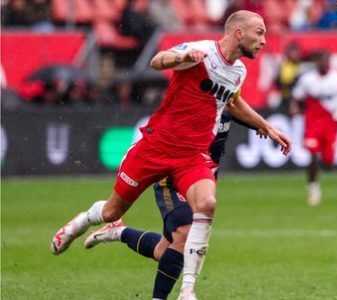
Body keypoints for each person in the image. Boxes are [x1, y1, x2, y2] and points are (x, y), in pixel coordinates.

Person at [50, 10, 291, 300]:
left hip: (193, 156)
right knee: (112, 211)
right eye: (259, 32)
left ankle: (188, 290)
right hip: (156, 148)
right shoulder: (201, 51)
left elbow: (233, 102)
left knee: (207, 205)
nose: (264, 40)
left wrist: (267, 126)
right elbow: (157, 60)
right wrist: (180, 59)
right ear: (239, 33)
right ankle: (82, 223)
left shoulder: (238, 71)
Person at [83, 112, 258, 300]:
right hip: (174, 172)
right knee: (185, 232)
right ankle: (176, 294)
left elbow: (234, 103)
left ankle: (117, 232)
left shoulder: (227, 96)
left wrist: (262, 125)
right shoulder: (193, 96)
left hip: (202, 174)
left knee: (164, 251)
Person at [290, 50, 337, 206]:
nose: (323, 65)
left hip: (332, 122)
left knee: (329, 161)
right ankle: (313, 188)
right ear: (316, 63)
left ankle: (325, 167)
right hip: (313, 121)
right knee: (312, 154)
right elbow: (296, 97)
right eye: (320, 62)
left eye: (326, 62)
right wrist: (294, 108)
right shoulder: (308, 79)